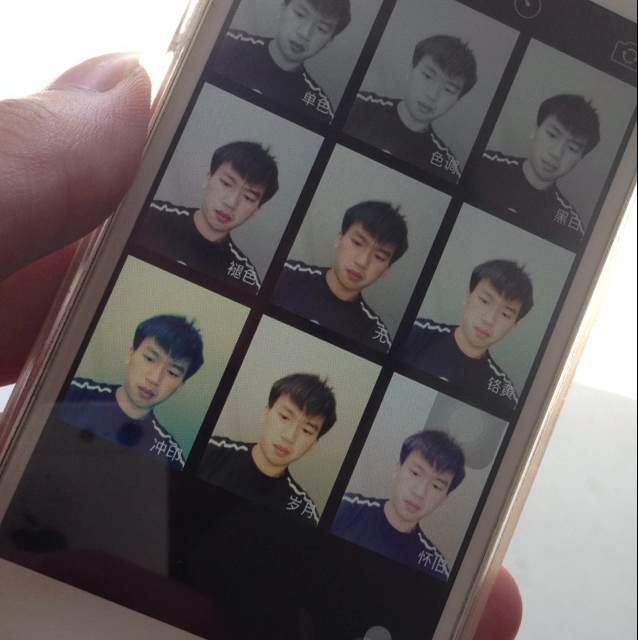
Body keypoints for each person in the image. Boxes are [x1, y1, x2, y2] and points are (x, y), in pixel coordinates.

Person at [0, 54, 521, 639]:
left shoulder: (362, 341)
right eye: (227, 183)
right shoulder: (261, 286)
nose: (363, 261)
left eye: (379, 257)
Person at [57, 315, 204, 470]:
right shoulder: (71, 392)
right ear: (130, 354)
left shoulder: (171, 457)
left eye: (172, 372)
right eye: (149, 358)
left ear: (180, 386)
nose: (154, 379)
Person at [136, 141, 279, 295]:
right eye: (226, 183)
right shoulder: (149, 214)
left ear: (256, 211)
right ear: (208, 179)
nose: (231, 202)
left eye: (248, 197)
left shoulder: (246, 280)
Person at [198, 373, 336, 525]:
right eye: (284, 417)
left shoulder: (304, 513)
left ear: (313, 445)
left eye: (307, 430)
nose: (289, 436)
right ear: (266, 413)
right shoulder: (209, 450)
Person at [272, 201, 408, 353]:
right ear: (339, 239)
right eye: (357, 243)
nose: (362, 262)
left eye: (379, 257)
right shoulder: (285, 274)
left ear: (385, 271)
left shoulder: (374, 336)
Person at [467, 94, 601, 249]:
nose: (556, 153)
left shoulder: (571, 229)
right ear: (534, 130)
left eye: (572, 148)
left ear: (580, 159)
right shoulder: (483, 164)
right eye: (552, 135)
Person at [399, 260, 534, 413]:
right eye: (485, 301)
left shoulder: (504, 394)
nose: (489, 319)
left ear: (512, 327)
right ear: (468, 297)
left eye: (505, 314)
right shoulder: (415, 332)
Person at [332, 430, 465, 581]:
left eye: (436, 486)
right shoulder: (344, 507)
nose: (420, 492)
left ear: (444, 499)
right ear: (397, 469)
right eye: (415, 473)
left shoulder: (436, 568)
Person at [345, 34, 478, 183]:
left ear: (457, 100)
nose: (432, 94)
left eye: (448, 89)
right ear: (410, 70)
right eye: (427, 76)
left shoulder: (446, 167)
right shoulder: (358, 105)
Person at [213, 0, 352, 124]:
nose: (305, 33)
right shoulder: (226, 42)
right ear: (283, 9)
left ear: (329, 41)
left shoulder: (320, 110)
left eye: (321, 29)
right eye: (300, 14)